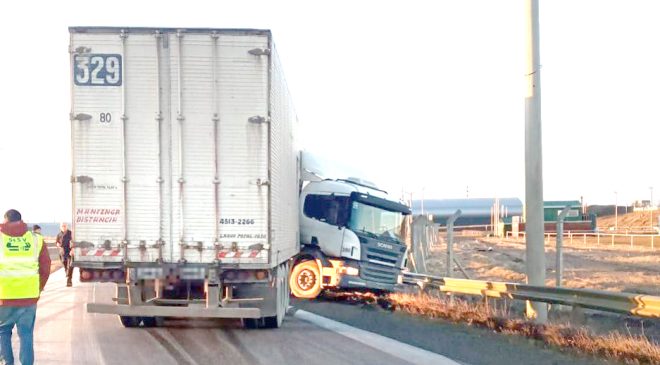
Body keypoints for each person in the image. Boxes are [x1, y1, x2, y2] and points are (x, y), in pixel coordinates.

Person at [0, 209, 51, 365]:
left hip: (4, 298)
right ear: (21, 221)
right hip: (29, 298)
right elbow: (45, 267)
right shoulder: (36, 239)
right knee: (26, 334)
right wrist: (38, 288)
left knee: (3, 332)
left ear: (5, 220)